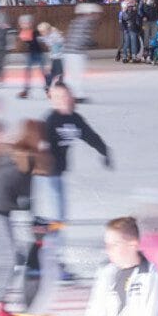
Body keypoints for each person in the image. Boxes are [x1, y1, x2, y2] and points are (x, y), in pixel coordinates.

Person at [0, 121, 43, 316]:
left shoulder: (11, 149)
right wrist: (36, 222)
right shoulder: (28, 157)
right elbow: (26, 197)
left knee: (2, 255)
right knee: (8, 257)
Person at [38, 84, 111, 223]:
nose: (63, 100)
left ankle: (55, 227)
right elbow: (39, 143)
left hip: (58, 168)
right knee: (56, 206)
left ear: (71, 97)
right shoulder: (50, 120)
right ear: (52, 101)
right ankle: (53, 232)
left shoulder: (75, 119)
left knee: (58, 205)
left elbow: (91, 137)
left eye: (65, 96)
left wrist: (105, 152)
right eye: (58, 97)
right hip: (43, 170)